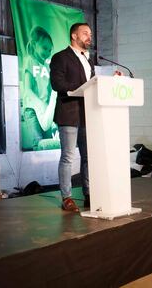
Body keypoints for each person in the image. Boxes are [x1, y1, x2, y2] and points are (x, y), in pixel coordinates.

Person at [50, 23, 94, 212]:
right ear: (74, 36)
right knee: (68, 157)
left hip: (88, 114)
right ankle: (67, 197)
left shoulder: (88, 59)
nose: (89, 37)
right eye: (85, 33)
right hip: (68, 113)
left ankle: (89, 194)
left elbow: (92, 84)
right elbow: (56, 83)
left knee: (88, 157)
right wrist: (76, 90)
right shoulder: (60, 57)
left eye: (90, 34)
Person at [22, 26, 58, 151]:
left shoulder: (48, 65)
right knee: (38, 144)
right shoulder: (30, 60)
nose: (47, 52)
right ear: (34, 44)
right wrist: (41, 104)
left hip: (45, 110)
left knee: (48, 145)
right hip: (32, 109)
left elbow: (50, 89)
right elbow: (28, 89)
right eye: (44, 48)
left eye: (49, 50)